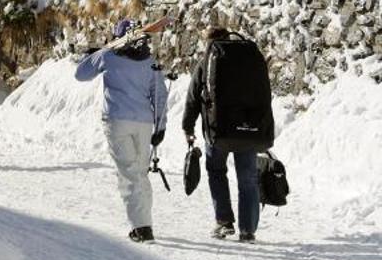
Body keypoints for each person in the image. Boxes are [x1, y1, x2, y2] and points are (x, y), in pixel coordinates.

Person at [74, 17, 169, 243]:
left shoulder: (108, 56)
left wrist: (103, 50)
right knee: (140, 172)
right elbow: (160, 96)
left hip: (117, 120)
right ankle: (144, 221)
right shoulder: (149, 62)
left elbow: (80, 74)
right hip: (145, 122)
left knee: (128, 173)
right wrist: (161, 126)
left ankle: (142, 228)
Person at [181, 27, 265, 243]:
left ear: (210, 43)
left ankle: (224, 221)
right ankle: (248, 231)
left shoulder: (207, 63)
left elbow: (193, 99)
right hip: (248, 131)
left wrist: (188, 128)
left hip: (218, 132)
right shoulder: (249, 61)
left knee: (217, 171)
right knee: (247, 179)